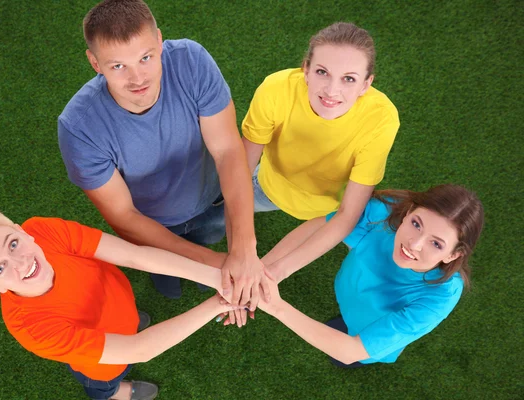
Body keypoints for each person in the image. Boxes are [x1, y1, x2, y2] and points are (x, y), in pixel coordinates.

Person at [58, 0, 267, 314]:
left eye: (145, 58)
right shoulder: (79, 128)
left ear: (159, 41)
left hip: (211, 199)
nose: (137, 77)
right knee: (166, 274)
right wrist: (221, 267)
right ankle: (170, 276)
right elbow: (125, 216)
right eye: (118, 66)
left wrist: (243, 249)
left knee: (208, 236)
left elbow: (227, 151)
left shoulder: (191, 61)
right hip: (150, 225)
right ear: (95, 63)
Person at [0, 208, 242, 399]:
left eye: (12, 243)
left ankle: (132, 322)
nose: (21, 262)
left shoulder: (43, 230)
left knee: (133, 320)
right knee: (107, 383)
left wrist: (217, 278)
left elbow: (133, 255)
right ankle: (117, 395)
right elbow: (140, 349)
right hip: (102, 366)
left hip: (120, 305)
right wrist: (219, 303)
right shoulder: (30, 328)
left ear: (23, 231)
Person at [253, 184, 484, 366]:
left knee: (340, 355)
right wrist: (264, 271)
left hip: (365, 332)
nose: (414, 244)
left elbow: (349, 351)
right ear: (409, 212)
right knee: (341, 320)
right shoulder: (382, 213)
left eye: (436, 243)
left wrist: (275, 306)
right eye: (416, 223)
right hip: (349, 289)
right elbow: (321, 227)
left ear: (453, 255)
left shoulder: (442, 295)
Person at [242, 22, 400, 259]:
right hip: (269, 185)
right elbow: (241, 169)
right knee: (213, 217)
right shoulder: (275, 89)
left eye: (348, 79)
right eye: (322, 72)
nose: (331, 91)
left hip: (329, 210)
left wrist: (269, 272)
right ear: (305, 70)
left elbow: (348, 214)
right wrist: (243, 249)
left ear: (366, 85)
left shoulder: (382, 119)